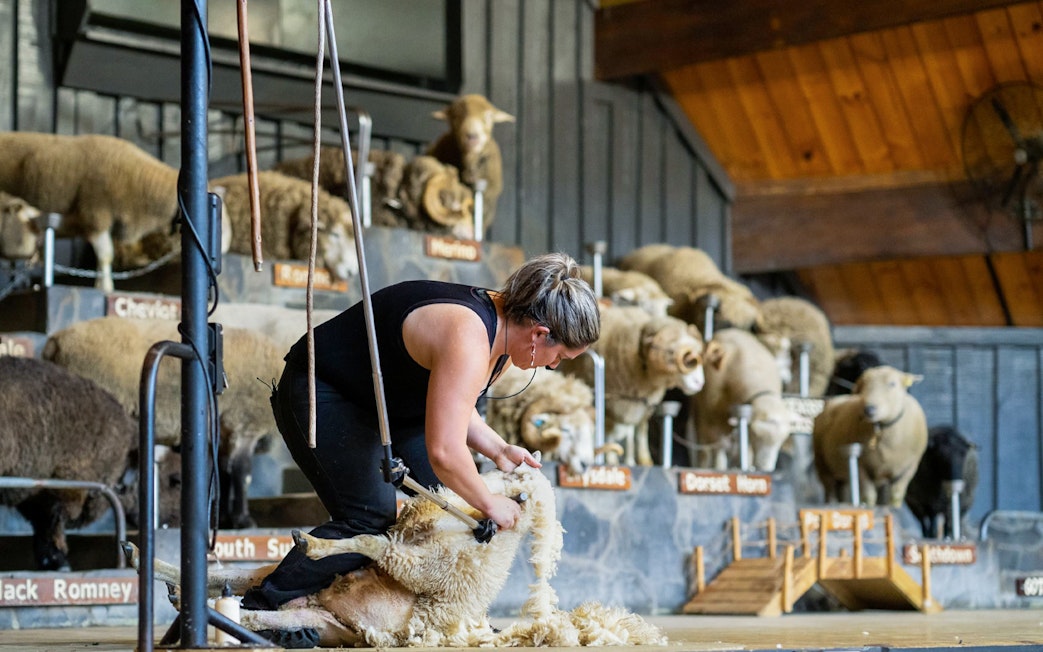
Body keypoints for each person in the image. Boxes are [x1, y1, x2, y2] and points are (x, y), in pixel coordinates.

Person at [241, 252, 600, 626]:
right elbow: (444, 451)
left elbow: (455, 404)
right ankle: (259, 609)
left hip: (391, 406)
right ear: (540, 334)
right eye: (560, 356)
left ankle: (445, 616)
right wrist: (490, 502)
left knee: (463, 511)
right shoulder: (469, 335)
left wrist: (498, 448)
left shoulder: (507, 334)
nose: (555, 365)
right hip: (326, 392)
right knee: (370, 517)